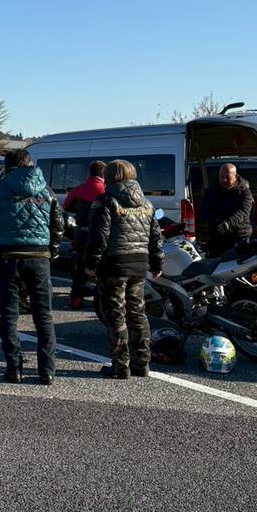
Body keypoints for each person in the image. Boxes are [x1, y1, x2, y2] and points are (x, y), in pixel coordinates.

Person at [0, 149, 63, 385]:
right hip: (39, 257)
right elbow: (58, 223)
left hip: (8, 256)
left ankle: (14, 369)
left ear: (7, 166)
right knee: (43, 315)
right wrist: (52, 250)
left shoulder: (0, 186)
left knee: (9, 315)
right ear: (29, 164)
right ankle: (47, 371)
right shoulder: (45, 188)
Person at [85, 159, 162, 379]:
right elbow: (156, 236)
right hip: (140, 264)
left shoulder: (106, 200)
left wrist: (91, 264)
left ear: (109, 177)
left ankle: (120, 366)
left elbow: (99, 236)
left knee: (116, 315)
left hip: (115, 264)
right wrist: (157, 263)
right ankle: (142, 363)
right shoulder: (146, 203)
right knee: (137, 313)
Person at [62, 161, 106, 310]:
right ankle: (104, 297)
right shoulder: (106, 190)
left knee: (80, 265)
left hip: (82, 231)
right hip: (102, 232)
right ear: (103, 174)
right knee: (104, 263)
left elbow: (66, 206)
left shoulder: (78, 189)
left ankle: (76, 299)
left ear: (90, 173)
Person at [197, 163, 255, 256]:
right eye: (221, 177)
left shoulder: (244, 192)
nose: (224, 180)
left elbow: (243, 212)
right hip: (218, 236)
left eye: (227, 177)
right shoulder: (212, 190)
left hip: (239, 236)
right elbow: (204, 209)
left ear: (235, 176)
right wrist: (216, 221)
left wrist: (228, 224)